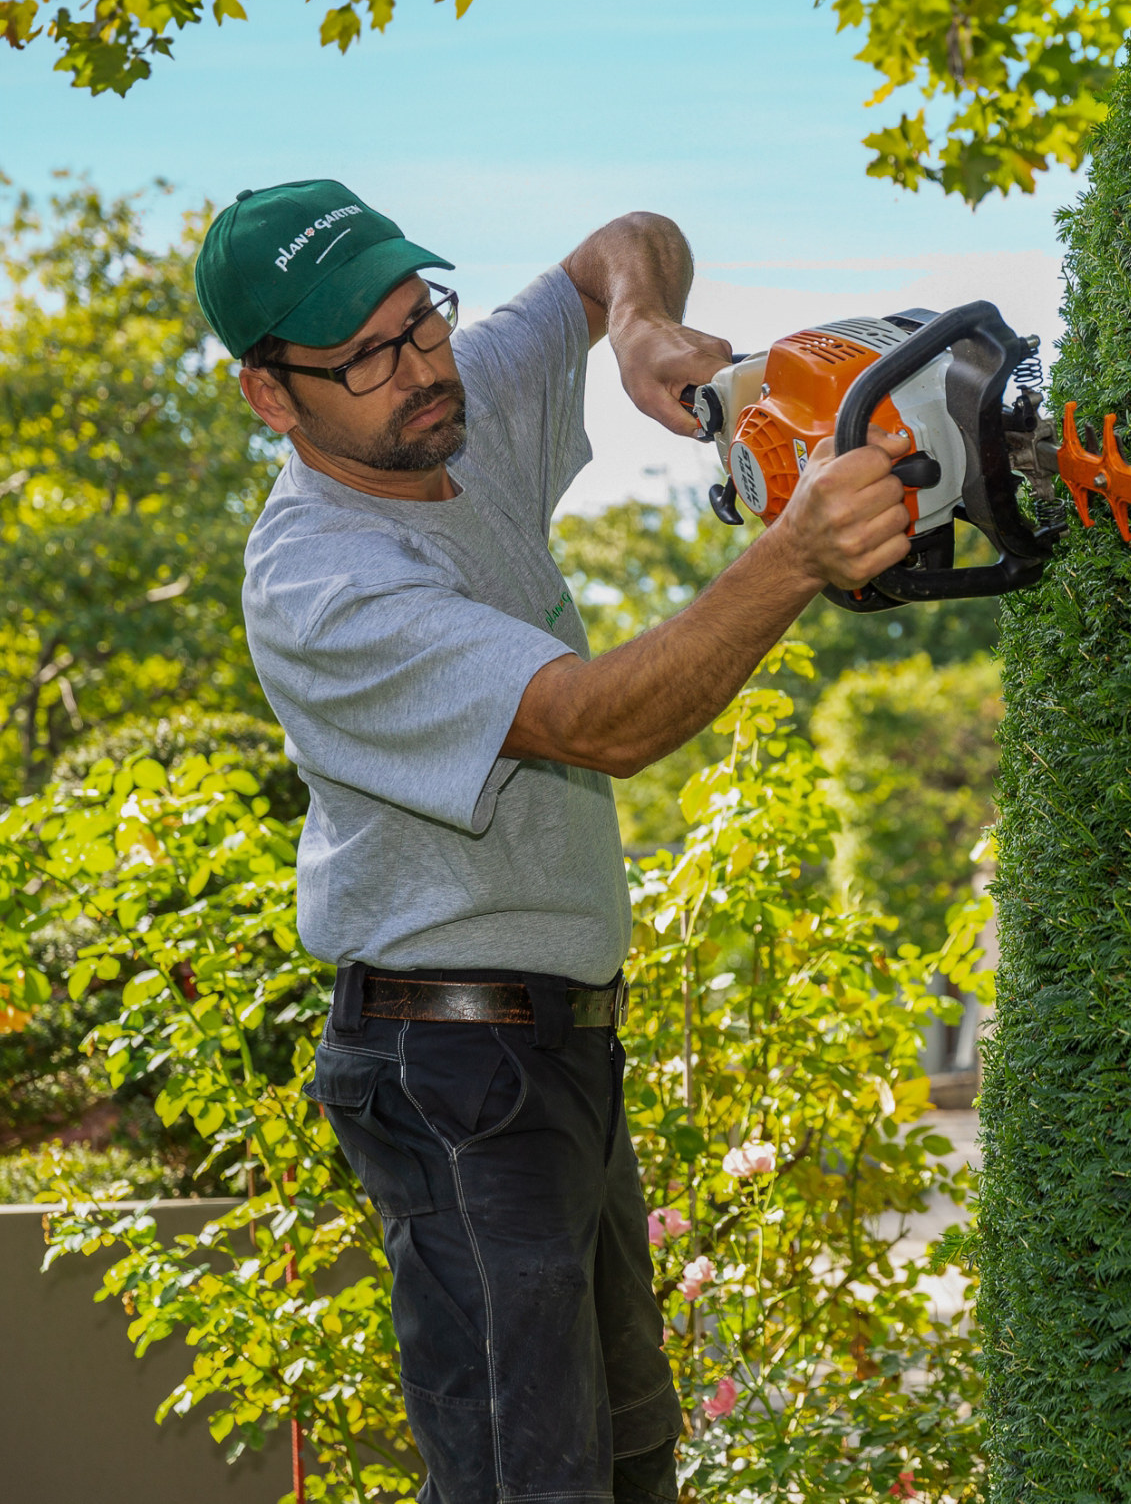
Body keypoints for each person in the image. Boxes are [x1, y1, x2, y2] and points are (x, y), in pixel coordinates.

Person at [195, 179, 913, 1504]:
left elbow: (618, 247)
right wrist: (794, 553)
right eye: (366, 355)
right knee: (535, 1483)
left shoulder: (446, 398)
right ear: (271, 396)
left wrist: (637, 320)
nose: (421, 367)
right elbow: (596, 721)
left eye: (424, 319)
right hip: (453, 1077)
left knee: (630, 1457)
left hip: (559, 1053)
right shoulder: (324, 581)